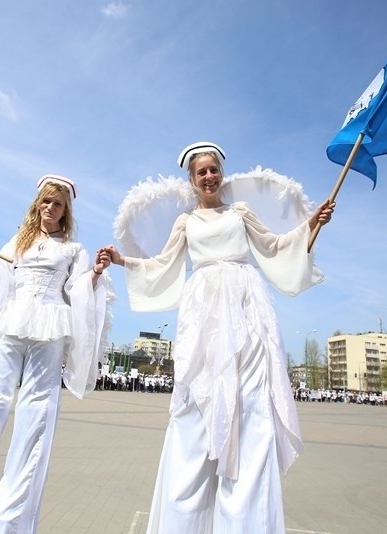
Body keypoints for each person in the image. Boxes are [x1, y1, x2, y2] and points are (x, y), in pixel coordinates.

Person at [105, 142, 334, 533]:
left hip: (247, 303)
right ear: (192, 181)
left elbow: (274, 246)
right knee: (198, 399)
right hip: (204, 308)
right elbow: (163, 264)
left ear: (221, 173)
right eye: (201, 173)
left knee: (251, 405)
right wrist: (122, 260)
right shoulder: (186, 222)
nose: (209, 176)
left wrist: (312, 224)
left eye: (213, 170)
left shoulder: (240, 212)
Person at [0, 174, 112, 533]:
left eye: (58, 204)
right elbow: (0, 271)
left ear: (66, 212)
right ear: (38, 204)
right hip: (13, 320)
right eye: (46, 201)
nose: (50, 208)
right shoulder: (20, 240)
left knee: (36, 413)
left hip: (50, 327)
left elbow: (77, 288)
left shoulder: (73, 249)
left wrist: (94, 275)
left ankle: (11, 526)